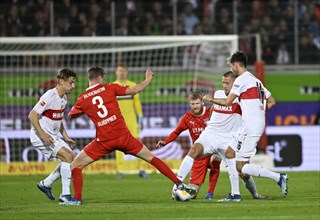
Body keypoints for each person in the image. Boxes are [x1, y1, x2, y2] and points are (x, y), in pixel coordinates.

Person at [62, 67, 195, 205]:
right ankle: (178, 183)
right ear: (101, 77)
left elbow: (71, 115)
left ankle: (77, 199)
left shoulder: (83, 98)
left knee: (76, 166)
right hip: (124, 137)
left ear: (89, 78)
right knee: (151, 158)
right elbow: (134, 90)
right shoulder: (110, 88)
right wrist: (148, 79)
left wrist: (83, 106)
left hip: (104, 141)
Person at [172, 71, 270, 202]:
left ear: (235, 83)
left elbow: (262, 106)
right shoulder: (218, 94)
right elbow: (213, 110)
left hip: (229, 138)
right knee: (194, 150)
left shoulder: (242, 99)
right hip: (211, 135)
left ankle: (250, 194)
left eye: (227, 83)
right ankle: (177, 185)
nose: (224, 85)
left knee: (243, 172)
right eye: (223, 82)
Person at [207, 51, 288, 199]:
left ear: (236, 65)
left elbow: (227, 102)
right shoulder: (256, 80)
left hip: (251, 126)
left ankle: (278, 178)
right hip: (251, 124)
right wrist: (258, 110)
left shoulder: (241, 80)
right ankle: (240, 194)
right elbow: (272, 102)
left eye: (232, 66)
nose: (232, 69)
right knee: (230, 154)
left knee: (240, 167)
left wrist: (211, 100)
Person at [156, 91, 221, 200]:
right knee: (192, 194)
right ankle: (177, 193)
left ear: (202, 103)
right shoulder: (187, 118)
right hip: (198, 155)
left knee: (216, 158)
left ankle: (210, 193)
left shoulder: (210, 113)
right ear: (189, 104)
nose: (195, 106)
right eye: (192, 104)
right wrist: (166, 142)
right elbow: (177, 132)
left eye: (197, 103)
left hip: (212, 150)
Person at [28, 68, 77, 203]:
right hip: (40, 135)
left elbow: (58, 120)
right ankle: (65, 196)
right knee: (67, 156)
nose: (73, 86)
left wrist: (66, 136)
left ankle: (46, 184)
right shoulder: (49, 96)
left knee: (71, 157)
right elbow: (32, 115)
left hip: (52, 135)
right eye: (71, 82)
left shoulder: (64, 98)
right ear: (61, 81)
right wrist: (42, 134)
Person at [113, 64, 148, 179]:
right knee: (118, 146)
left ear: (126, 72)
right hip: (118, 122)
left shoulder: (132, 86)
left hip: (132, 122)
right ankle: (120, 170)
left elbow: (137, 104)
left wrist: (140, 117)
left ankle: (141, 168)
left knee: (138, 144)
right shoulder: (112, 86)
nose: (121, 73)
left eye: (123, 71)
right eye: (119, 71)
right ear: (116, 72)